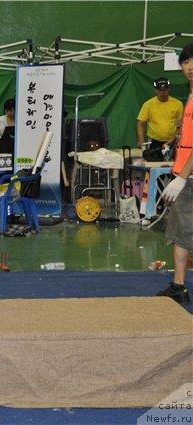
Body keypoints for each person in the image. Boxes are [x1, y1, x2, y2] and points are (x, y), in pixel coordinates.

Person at [157, 44, 193, 304]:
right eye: (186, 62)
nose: (189, 67)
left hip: (188, 177)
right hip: (185, 174)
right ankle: (178, 286)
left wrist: (182, 178)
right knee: (180, 229)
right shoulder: (190, 96)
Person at [136, 77, 183, 158]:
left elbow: (180, 126)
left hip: (172, 141)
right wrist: (141, 139)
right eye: (160, 90)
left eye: (165, 89)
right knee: (152, 165)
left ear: (169, 90)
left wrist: (170, 141)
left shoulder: (178, 104)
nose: (162, 92)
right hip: (154, 142)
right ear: (155, 90)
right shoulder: (148, 104)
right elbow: (140, 123)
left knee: (173, 165)